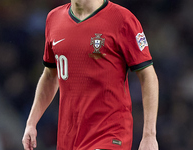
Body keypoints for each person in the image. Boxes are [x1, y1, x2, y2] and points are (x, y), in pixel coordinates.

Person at [22, 0, 159, 150]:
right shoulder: (54, 18)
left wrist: (149, 135)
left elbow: (148, 75)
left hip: (110, 135)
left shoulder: (122, 19)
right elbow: (50, 75)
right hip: (69, 139)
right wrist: (31, 123)